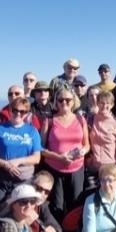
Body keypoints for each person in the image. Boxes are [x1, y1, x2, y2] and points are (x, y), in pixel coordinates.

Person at [0, 96, 42, 210]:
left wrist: (18, 161)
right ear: (10, 110)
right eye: (15, 110)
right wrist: (5, 164)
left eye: (22, 111)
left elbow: (36, 158)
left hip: (23, 181)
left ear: (26, 113)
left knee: (20, 212)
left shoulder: (32, 131)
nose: (18, 114)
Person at [41, 89, 88, 219]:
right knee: (57, 206)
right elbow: (40, 148)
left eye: (68, 100)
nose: (64, 102)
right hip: (55, 169)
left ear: (74, 101)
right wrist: (59, 157)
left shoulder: (80, 119)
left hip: (76, 169)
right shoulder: (49, 121)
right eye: (60, 100)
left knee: (76, 204)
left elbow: (87, 144)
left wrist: (83, 151)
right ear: (56, 102)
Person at [85, 92, 116, 186]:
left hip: (110, 167)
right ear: (97, 103)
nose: (104, 106)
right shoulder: (90, 120)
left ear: (112, 105)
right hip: (93, 167)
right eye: (101, 103)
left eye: (108, 103)